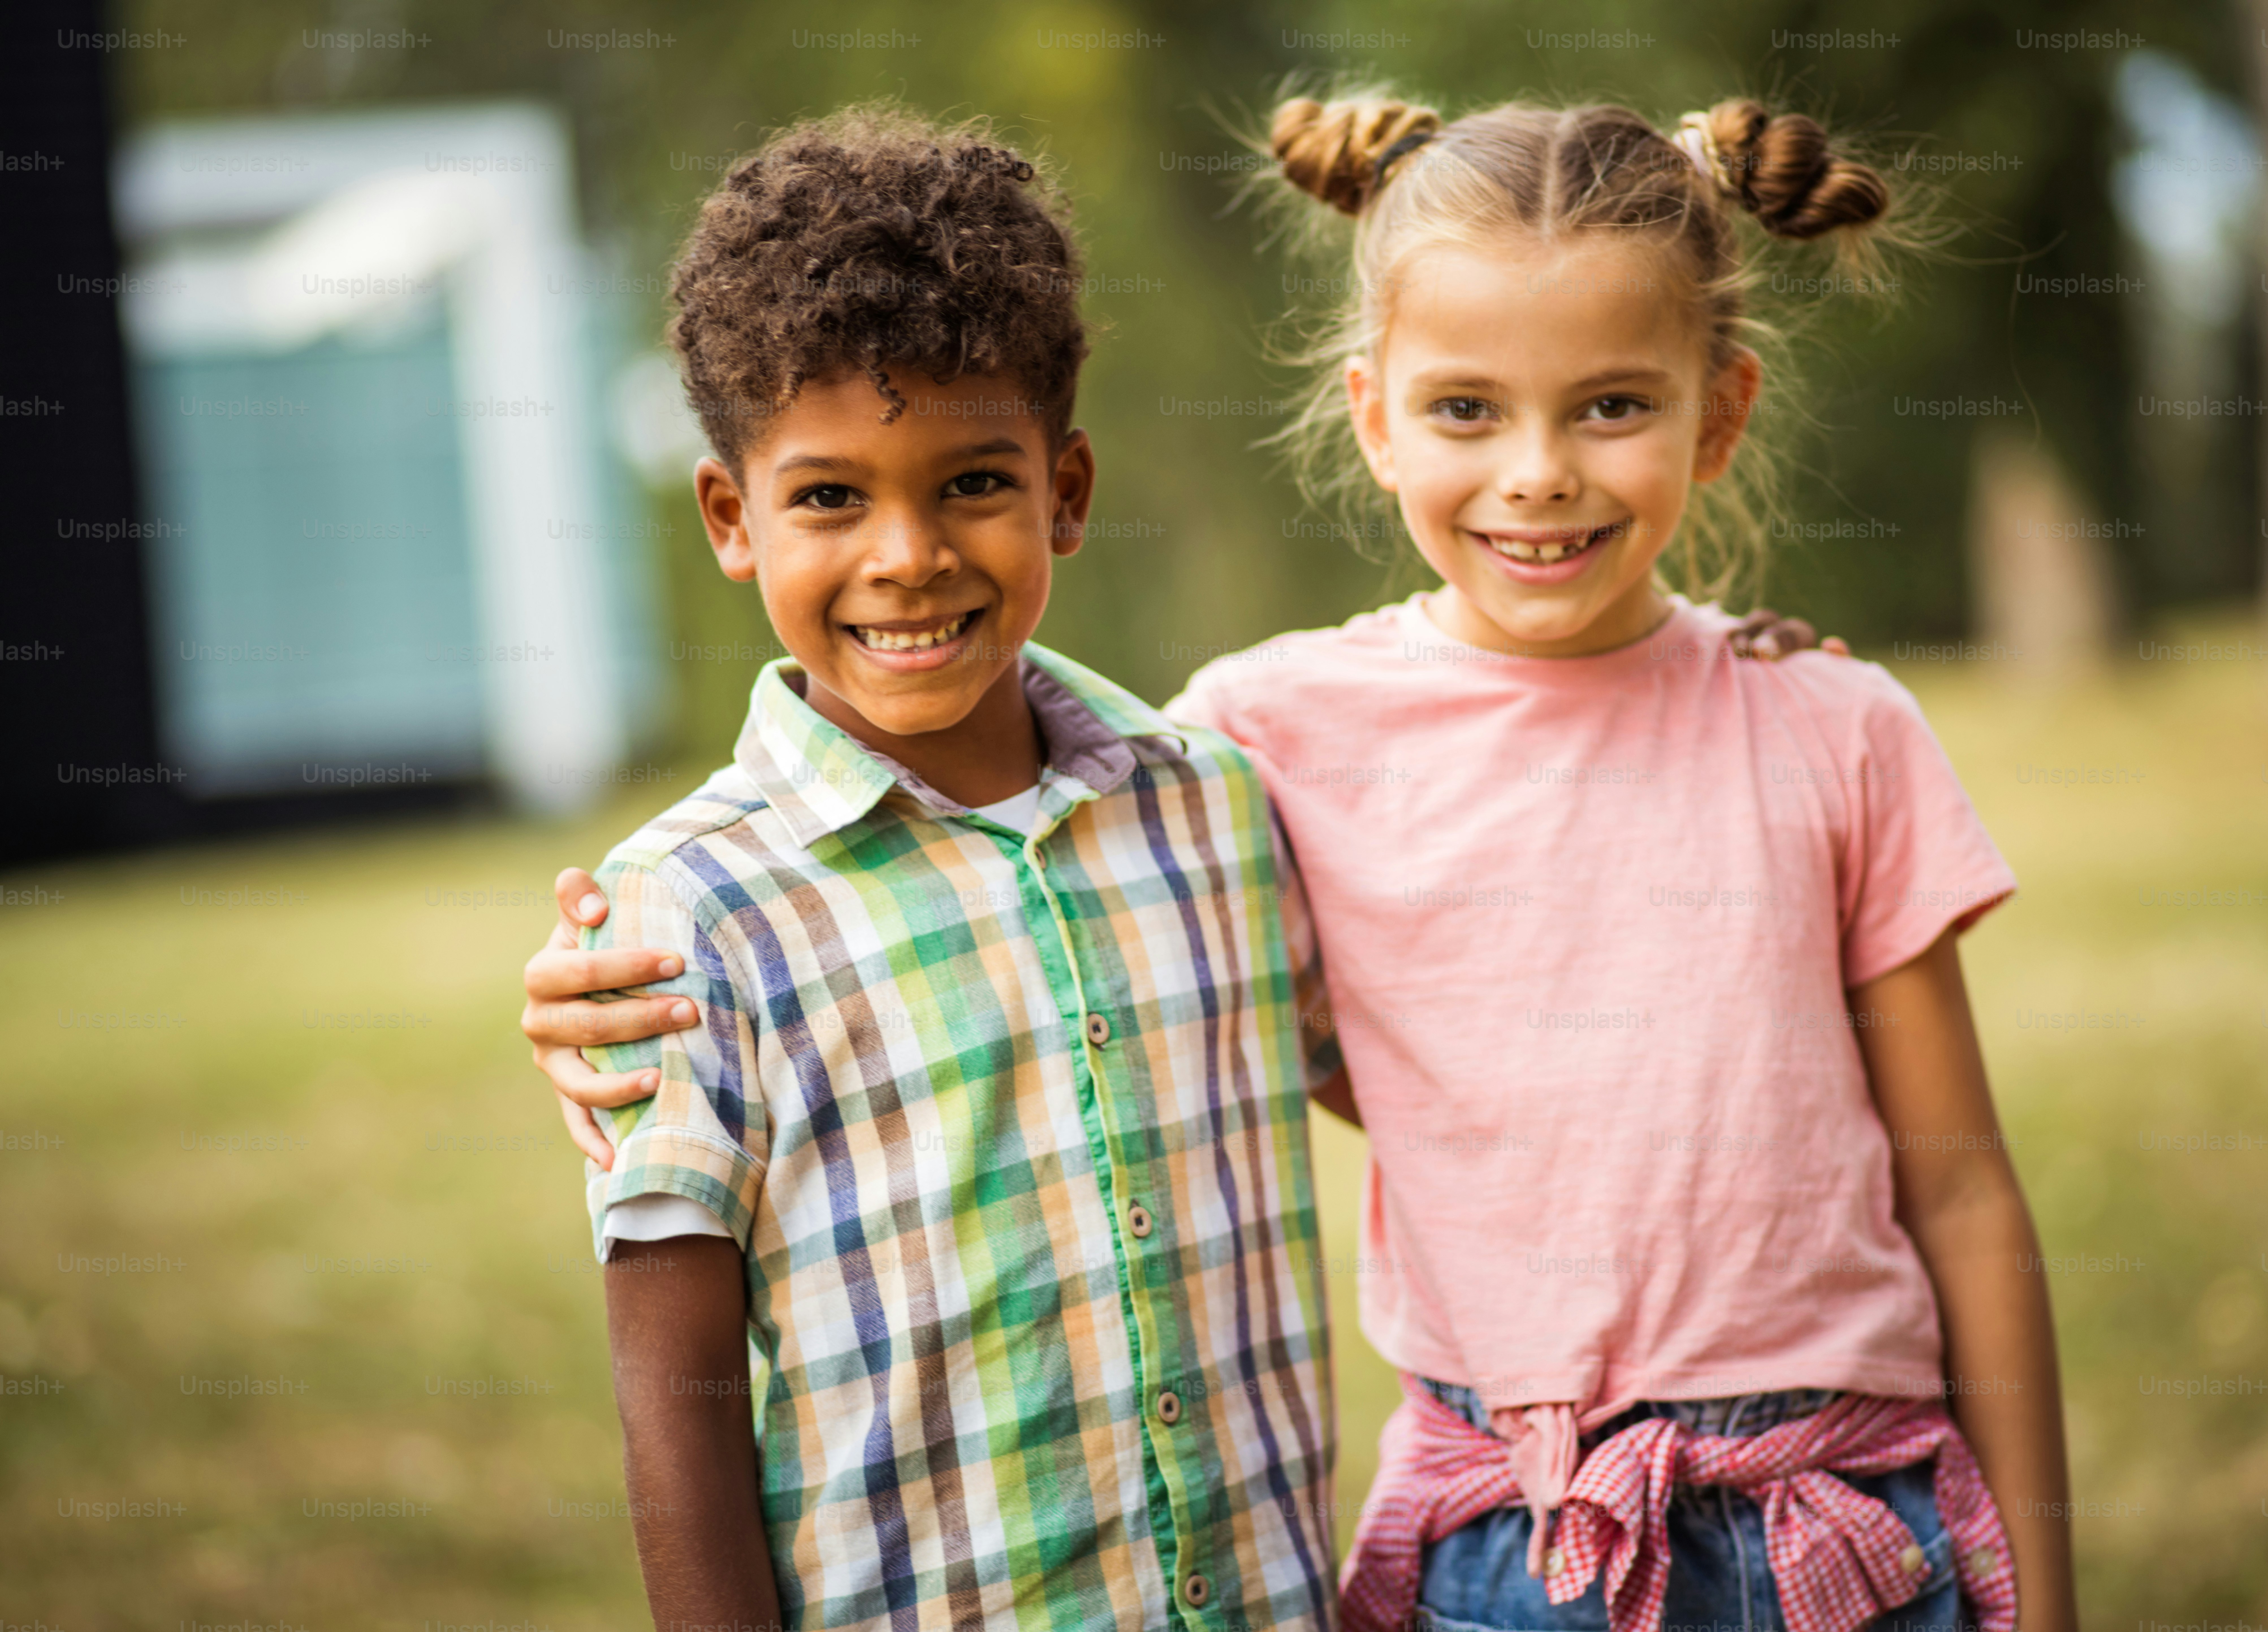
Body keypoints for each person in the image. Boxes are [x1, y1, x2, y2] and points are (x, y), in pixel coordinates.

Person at [1176, 94, 2074, 1631]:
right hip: (1522, 1546)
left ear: (1718, 415)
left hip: (1854, 1529)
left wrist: (2041, 1597)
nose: (1537, 472)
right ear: (1375, 416)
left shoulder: (1835, 726)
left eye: (1610, 406)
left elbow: (1963, 1192)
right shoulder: (1266, 734)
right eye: (1466, 409)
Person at [559, 105, 1343, 1632]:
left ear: (1068, 488)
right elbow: (675, 1407)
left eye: (973, 483)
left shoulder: (1221, 816)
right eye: (829, 496)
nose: (908, 555)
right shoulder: (688, 913)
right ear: (731, 516)